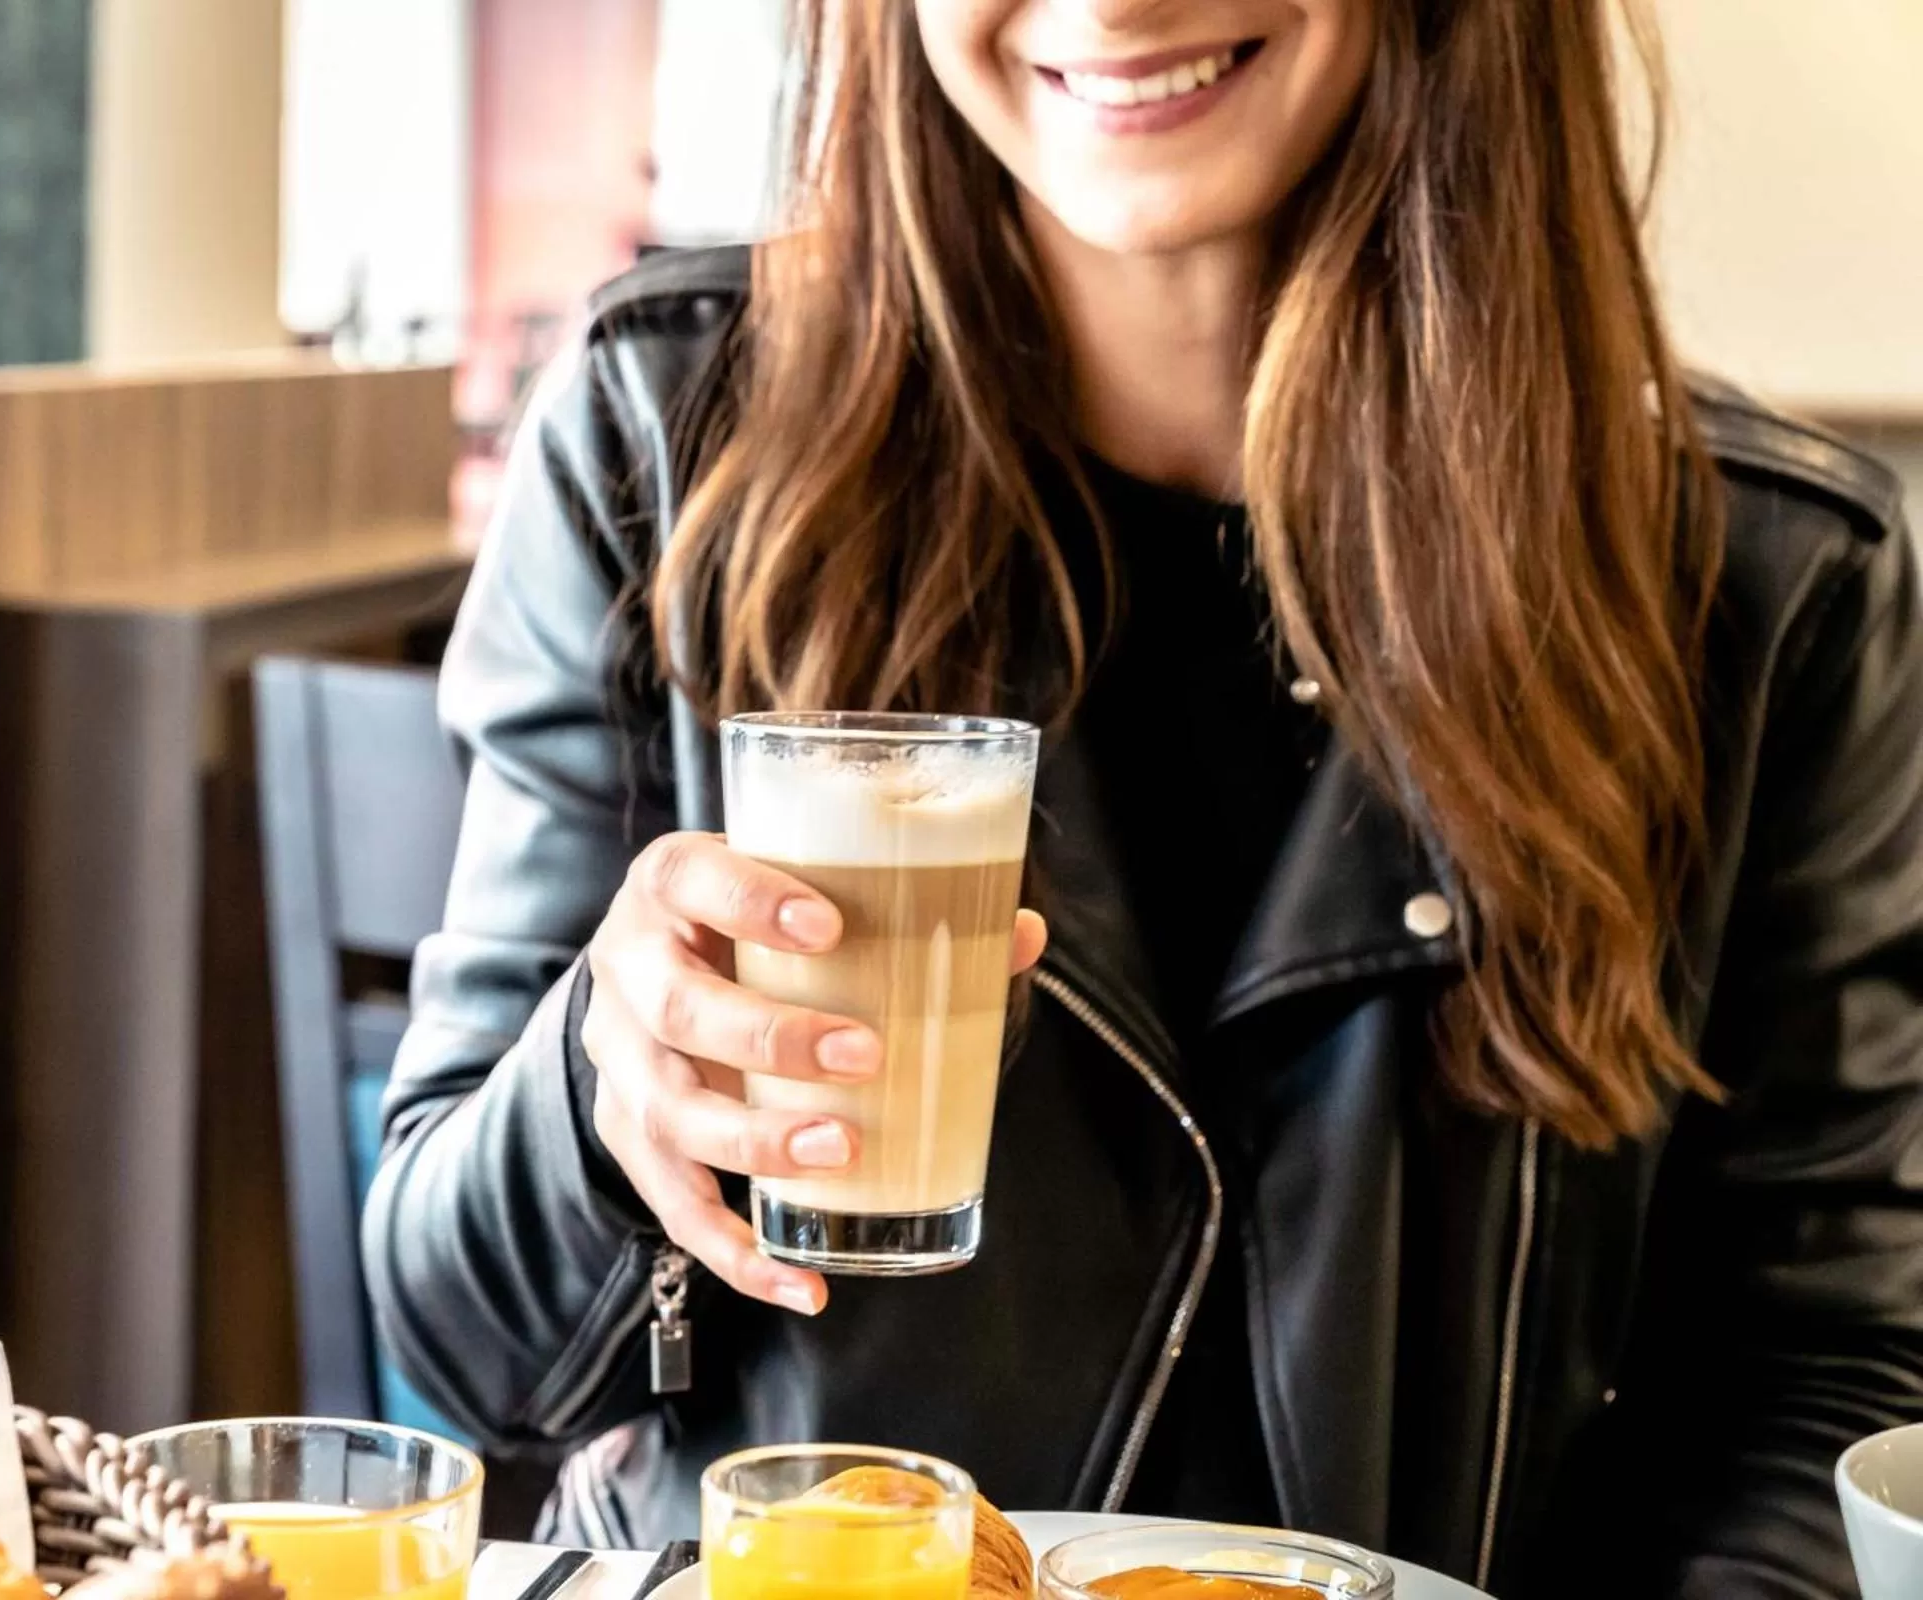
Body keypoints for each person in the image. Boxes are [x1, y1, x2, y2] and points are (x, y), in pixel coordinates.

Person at [360, 2, 1923, 1594]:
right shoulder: (667, 438)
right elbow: (464, 1350)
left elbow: (1824, 1384)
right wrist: (599, 1112)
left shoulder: (1772, 584)